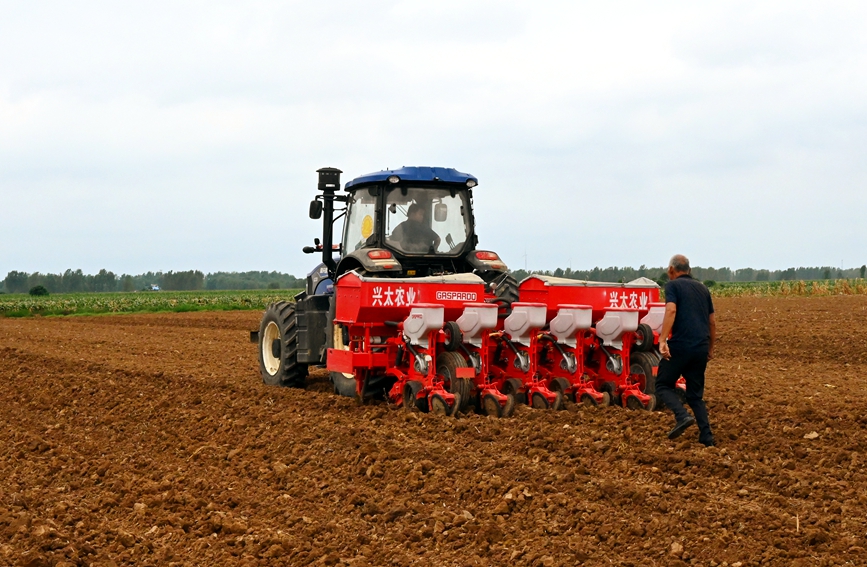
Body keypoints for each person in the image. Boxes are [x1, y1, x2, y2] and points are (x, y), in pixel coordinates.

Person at [657, 254, 716, 446]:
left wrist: (663, 339)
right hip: (700, 347)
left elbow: (671, 310)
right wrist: (710, 348)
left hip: (680, 346)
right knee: (695, 395)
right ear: (689, 270)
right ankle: (707, 437)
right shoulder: (703, 288)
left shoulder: (672, 286)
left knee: (663, 385)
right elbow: (712, 322)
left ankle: (682, 416)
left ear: (671, 270)